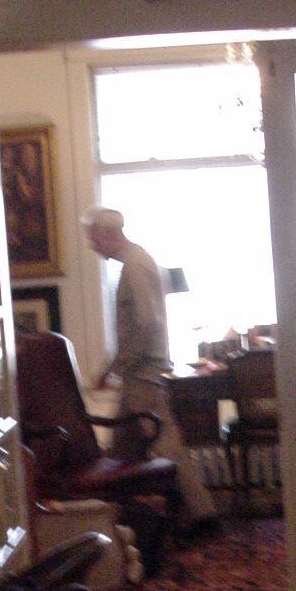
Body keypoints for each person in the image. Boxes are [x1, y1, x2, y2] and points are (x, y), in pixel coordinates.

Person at [82, 206, 218, 534]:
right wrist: (111, 369)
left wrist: (119, 366)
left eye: (93, 238)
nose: (91, 245)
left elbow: (145, 325)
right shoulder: (135, 262)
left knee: (166, 446)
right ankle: (113, 520)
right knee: (120, 451)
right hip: (136, 373)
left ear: (106, 234)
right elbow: (138, 327)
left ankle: (203, 516)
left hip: (142, 375)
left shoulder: (135, 266)